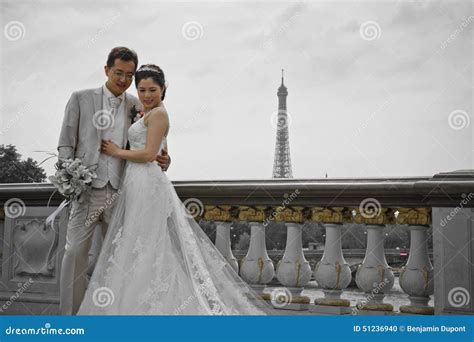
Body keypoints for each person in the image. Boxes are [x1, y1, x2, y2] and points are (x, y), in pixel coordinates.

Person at [77, 64, 271, 315]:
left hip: (148, 185)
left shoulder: (158, 114)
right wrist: (166, 158)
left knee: (147, 245)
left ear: (163, 89)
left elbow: (148, 154)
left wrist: (116, 152)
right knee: (139, 245)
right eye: (142, 89)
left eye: (152, 90)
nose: (146, 95)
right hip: (137, 183)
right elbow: (159, 150)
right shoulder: (146, 111)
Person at [57, 47, 171, 315]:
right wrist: (70, 174)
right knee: (74, 254)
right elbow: (65, 143)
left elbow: (155, 140)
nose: (123, 80)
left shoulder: (138, 103)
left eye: (129, 75)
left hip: (124, 193)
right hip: (87, 191)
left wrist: (166, 160)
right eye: (118, 73)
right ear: (106, 69)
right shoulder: (80, 99)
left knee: (122, 259)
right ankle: (70, 323)